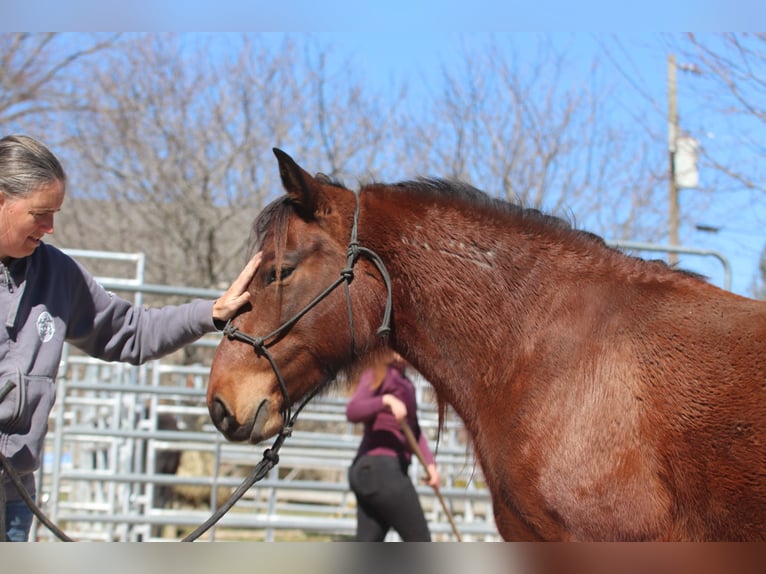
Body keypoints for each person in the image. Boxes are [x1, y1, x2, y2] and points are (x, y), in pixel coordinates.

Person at [0, 134, 261, 542]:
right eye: (40, 213)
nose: (50, 227)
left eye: (55, 213)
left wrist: (210, 313)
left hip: (14, 496)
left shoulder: (57, 275)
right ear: (1, 200)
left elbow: (131, 331)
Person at [345, 351, 441, 541]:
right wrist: (385, 401)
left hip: (376, 474)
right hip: (382, 470)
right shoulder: (378, 373)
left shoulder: (407, 383)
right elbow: (353, 410)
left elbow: (414, 430)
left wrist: (430, 465)